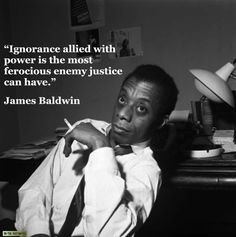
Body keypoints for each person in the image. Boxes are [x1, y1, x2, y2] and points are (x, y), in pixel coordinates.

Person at [15, 64, 178, 237]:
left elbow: (107, 233)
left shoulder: (147, 171)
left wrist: (101, 148)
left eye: (141, 109)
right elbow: (36, 189)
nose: (123, 113)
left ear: (161, 122)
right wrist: (37, 232)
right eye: (123, 99)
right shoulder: (83, 128)